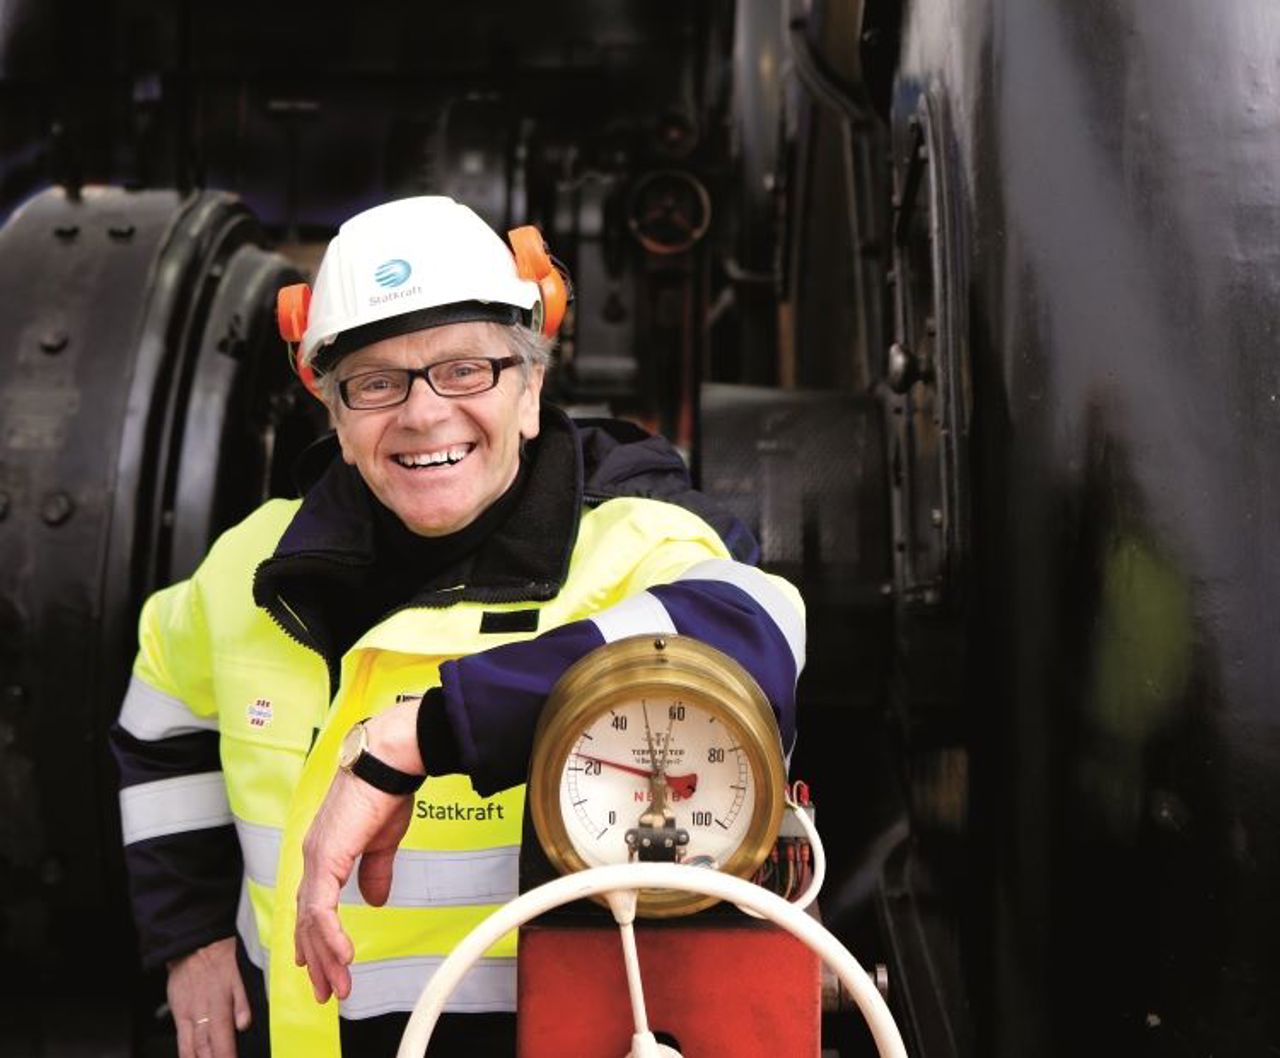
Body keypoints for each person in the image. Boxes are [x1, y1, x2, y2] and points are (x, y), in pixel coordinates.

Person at [109, 195, 805, 1058]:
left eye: (466, 369)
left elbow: (760, 629)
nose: (424, 413)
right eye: (376, 381)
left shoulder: (632, 546)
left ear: (530, 387)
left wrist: (425, 733)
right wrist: (191, 935)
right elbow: (162, 711)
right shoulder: (249, 570)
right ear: (332, 409)